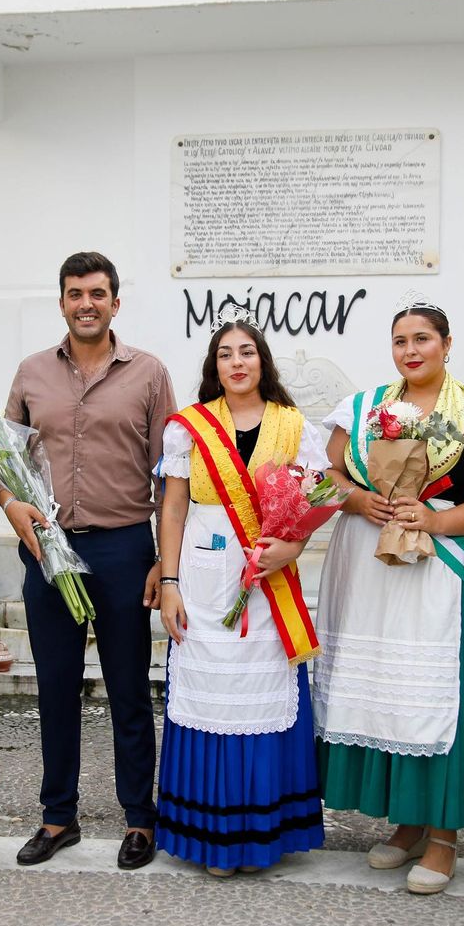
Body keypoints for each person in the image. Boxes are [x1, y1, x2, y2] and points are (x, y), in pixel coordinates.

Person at [314, 302, 464, 895]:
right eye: (400, 340)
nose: (411, 350)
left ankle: (444, 835)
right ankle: (408, 820)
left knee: (432, 694)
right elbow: (326, 475)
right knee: (387, 693)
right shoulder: (363, 407)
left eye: (422, 338)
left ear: (447, 344)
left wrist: (433, 520)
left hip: (436, 566)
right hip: (368, 564)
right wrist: (357, 500)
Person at [0, 252, 175, 870]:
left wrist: (163, 559)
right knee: (55, 686)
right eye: (75, 294)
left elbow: (169, 474)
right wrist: (13, 509)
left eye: (97, 294)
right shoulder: (30, 373)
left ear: (115, 303)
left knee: (128, 687)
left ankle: (139, 819)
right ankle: (58, 816)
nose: (86, 304)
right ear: (62, 303)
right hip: (47, 546)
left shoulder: (148, 373)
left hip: (123, 547)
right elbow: (5, 463)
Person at [155, 314, 327, 876]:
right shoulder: (190, 427)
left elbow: (319, 498)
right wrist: (170, 582)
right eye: (226, 353)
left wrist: (292, 547)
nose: (237, 362)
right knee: (208, 694)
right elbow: (173, 508)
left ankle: (261, 831)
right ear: (214, 365)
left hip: (269, 577)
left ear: (262, 360)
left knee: (263, 694)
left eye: (247, 351)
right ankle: (213, 833)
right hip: (203, 578)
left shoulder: (293, 425)